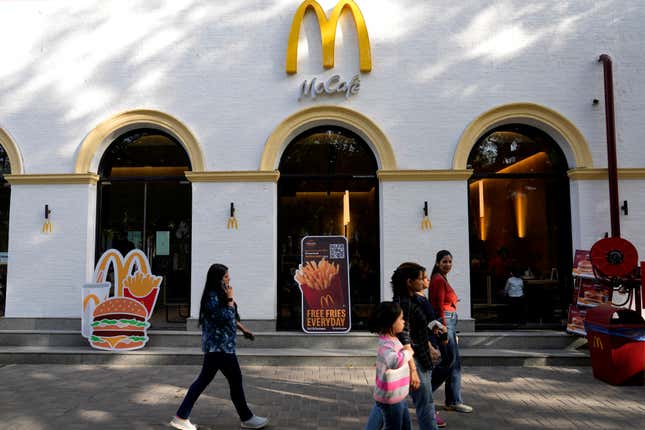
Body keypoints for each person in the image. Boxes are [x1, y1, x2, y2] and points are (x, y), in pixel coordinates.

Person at [170, 264, 268, 430]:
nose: (229, 278)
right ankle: (246, 418)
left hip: (223, 346)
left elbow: (231, 317)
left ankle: (182, 416)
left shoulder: (219, 294)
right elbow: (224, 317)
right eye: (225, 276)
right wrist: (230, 299)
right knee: (231, 380)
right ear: (218, 278)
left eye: (228, 275)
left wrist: (243, 329)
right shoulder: (212, 296)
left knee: (211, 381)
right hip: (219, 347)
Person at [366, 262, 439, 430]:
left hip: (417, 356)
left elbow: (414, 330)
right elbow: (404, 336)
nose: (424, 282)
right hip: (415, 359)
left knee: (389, 402)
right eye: (420, 278)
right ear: (409, 281)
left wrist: (429, 345)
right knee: (423, 404)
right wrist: (412, 368)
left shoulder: (414, 300)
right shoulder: (403, 304)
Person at [429, 250, 473, 414]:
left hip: (448, 321)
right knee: (450, 362)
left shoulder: (440, 279)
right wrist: (445, 329)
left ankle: (452, 400)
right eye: (444, 261)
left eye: (450, 262)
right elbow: (438, 306)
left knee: (452, 362)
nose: (448, 264)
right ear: (437, 263)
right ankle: (426, 392)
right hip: (445, 321)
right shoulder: (439, 280)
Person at [365, 301, 413, 430]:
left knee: (405, 425)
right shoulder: (386, 343)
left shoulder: (393, 339)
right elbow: (394, 361)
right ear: (391, 322)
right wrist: (408, 353)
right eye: (401, 319)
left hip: (398, 395)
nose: (404, 322)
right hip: (391, 398)